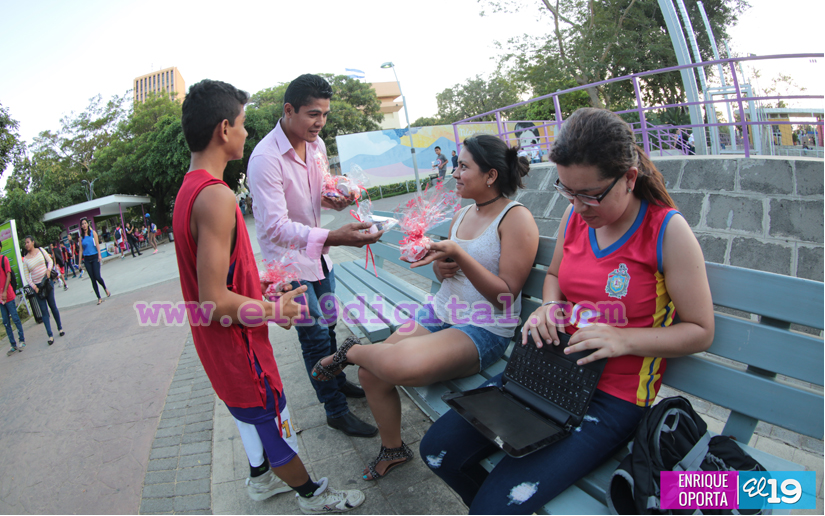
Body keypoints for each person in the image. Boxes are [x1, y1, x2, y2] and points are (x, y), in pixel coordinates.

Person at [418, 108, 715, 514]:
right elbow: (556, 274)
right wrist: (550, 308)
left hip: (613, 397)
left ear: (628, 178)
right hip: (547, 370)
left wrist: (624, 338)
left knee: (499, 504)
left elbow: (700, 330)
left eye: (590, 194)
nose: (578, 205)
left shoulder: (665, 230)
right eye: (567, 191)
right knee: (438, 450)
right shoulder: (579, 216)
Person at [176, 78, 365, 513]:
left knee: (251, 414)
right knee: (271, 416)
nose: (246, 132)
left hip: (219, 340)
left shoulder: (191, 191)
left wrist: (257, 285)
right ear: (225, 129)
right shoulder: (217, 196)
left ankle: (261, 480)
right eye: (242, 123)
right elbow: (213, 300)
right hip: (237, 340)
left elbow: (214, 276)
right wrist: (272, 308)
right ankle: (312, 495)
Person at [311, 133, 539, 481]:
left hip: (482, 328)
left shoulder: (516, 218)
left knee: (395, 365)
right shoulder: (463, 214)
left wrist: (460, 254)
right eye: (457, 165)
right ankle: (393, 448)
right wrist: (440, 265)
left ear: (491, 176)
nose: (455, 173)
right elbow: (448, 268)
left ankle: (351, 349)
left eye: (464, 166)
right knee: (372, 373)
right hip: (439, 312)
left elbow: (506, 296)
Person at [247, 73, 385, 439]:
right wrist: (335, 237)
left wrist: (333, 199)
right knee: (313, 338)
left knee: (329, 324)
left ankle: (336, 381)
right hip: (288, 262)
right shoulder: (265, 159)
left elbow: (314, 194)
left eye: (324, 114)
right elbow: (275, 226)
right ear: (289, 110)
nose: (319, 122)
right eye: (312, 114)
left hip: (319, 254)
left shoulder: (317, 145)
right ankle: (334, 410)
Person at [22, 236, 65, 345]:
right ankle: (50, 335)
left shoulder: (41, 250)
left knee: (53, 306)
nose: (26, 244)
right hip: (38, 288)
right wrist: (34, 287)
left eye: (28, 242)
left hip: (47, 283)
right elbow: (27, 276)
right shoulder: (26, 259)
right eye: (25, 243)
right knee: (44, 311)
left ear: (32, 242)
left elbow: (50, 261)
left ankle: (60, 328)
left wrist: (49, 270)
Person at [0, 241, 25, 356]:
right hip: (0, 299)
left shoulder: (3, 259)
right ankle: (13, 344)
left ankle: (21, 340)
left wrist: (4, 291)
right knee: (5, 321)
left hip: (8, 295)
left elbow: (8, 275)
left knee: (15, 318)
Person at [79, 217, 111, 305]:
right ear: (81, 226)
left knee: (97, 276)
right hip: (87, 259)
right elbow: (81, 250)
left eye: (85, 223)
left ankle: (105, 288)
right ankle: (99, 298)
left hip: (95, 257)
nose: (84, 225)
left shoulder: (93, 233)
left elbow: (97, 244)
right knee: (93, 279)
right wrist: (79, 263)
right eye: (82, 224)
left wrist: (99, 255)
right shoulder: (81, 237)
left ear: (88, 224)